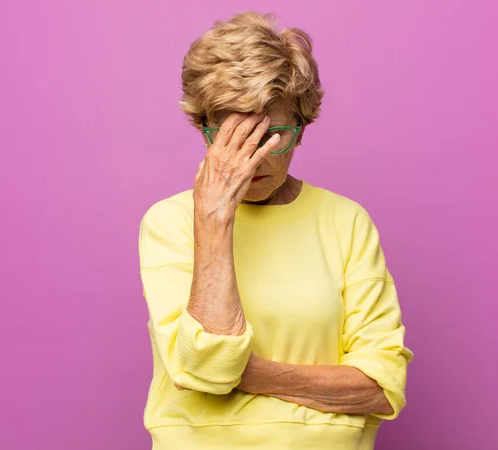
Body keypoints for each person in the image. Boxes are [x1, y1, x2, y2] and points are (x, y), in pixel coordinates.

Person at [138, 11, 413, 450]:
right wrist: (213, 217)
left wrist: (236, 373)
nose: (256, 160)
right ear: (205, 131)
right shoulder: (168, 222)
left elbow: (380, 387)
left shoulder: (346, 222)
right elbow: (204, 367)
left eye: (274, 135)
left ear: (302, 129)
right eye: (234, 137)